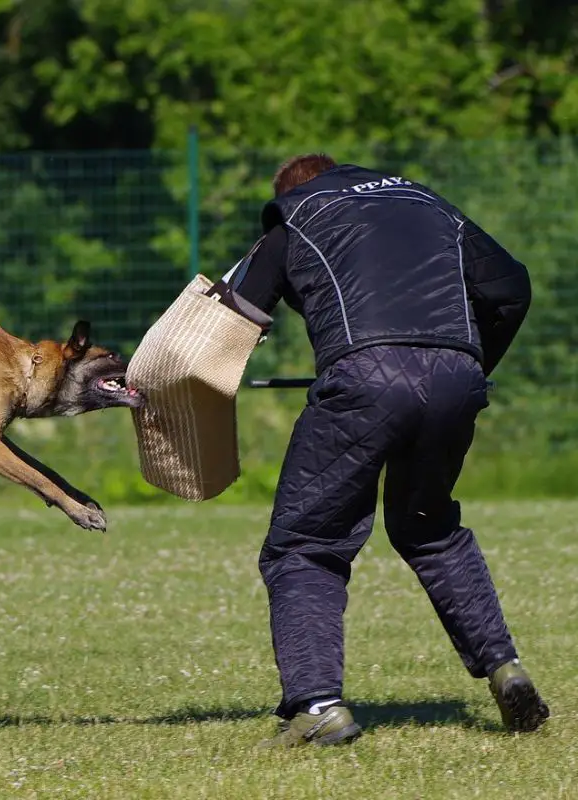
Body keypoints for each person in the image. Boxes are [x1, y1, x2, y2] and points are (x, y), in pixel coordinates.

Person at [229, 153, 549, 747]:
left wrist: (171, 394)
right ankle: (506, 667)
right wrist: (472, 363)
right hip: (457, 374)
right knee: (429, 527)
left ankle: (319, 706)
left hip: (363, 377)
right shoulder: (430, 205)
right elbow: (511, 287)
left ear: (291, 190)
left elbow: (226, 322)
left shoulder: (295, 214)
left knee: (306, 544)